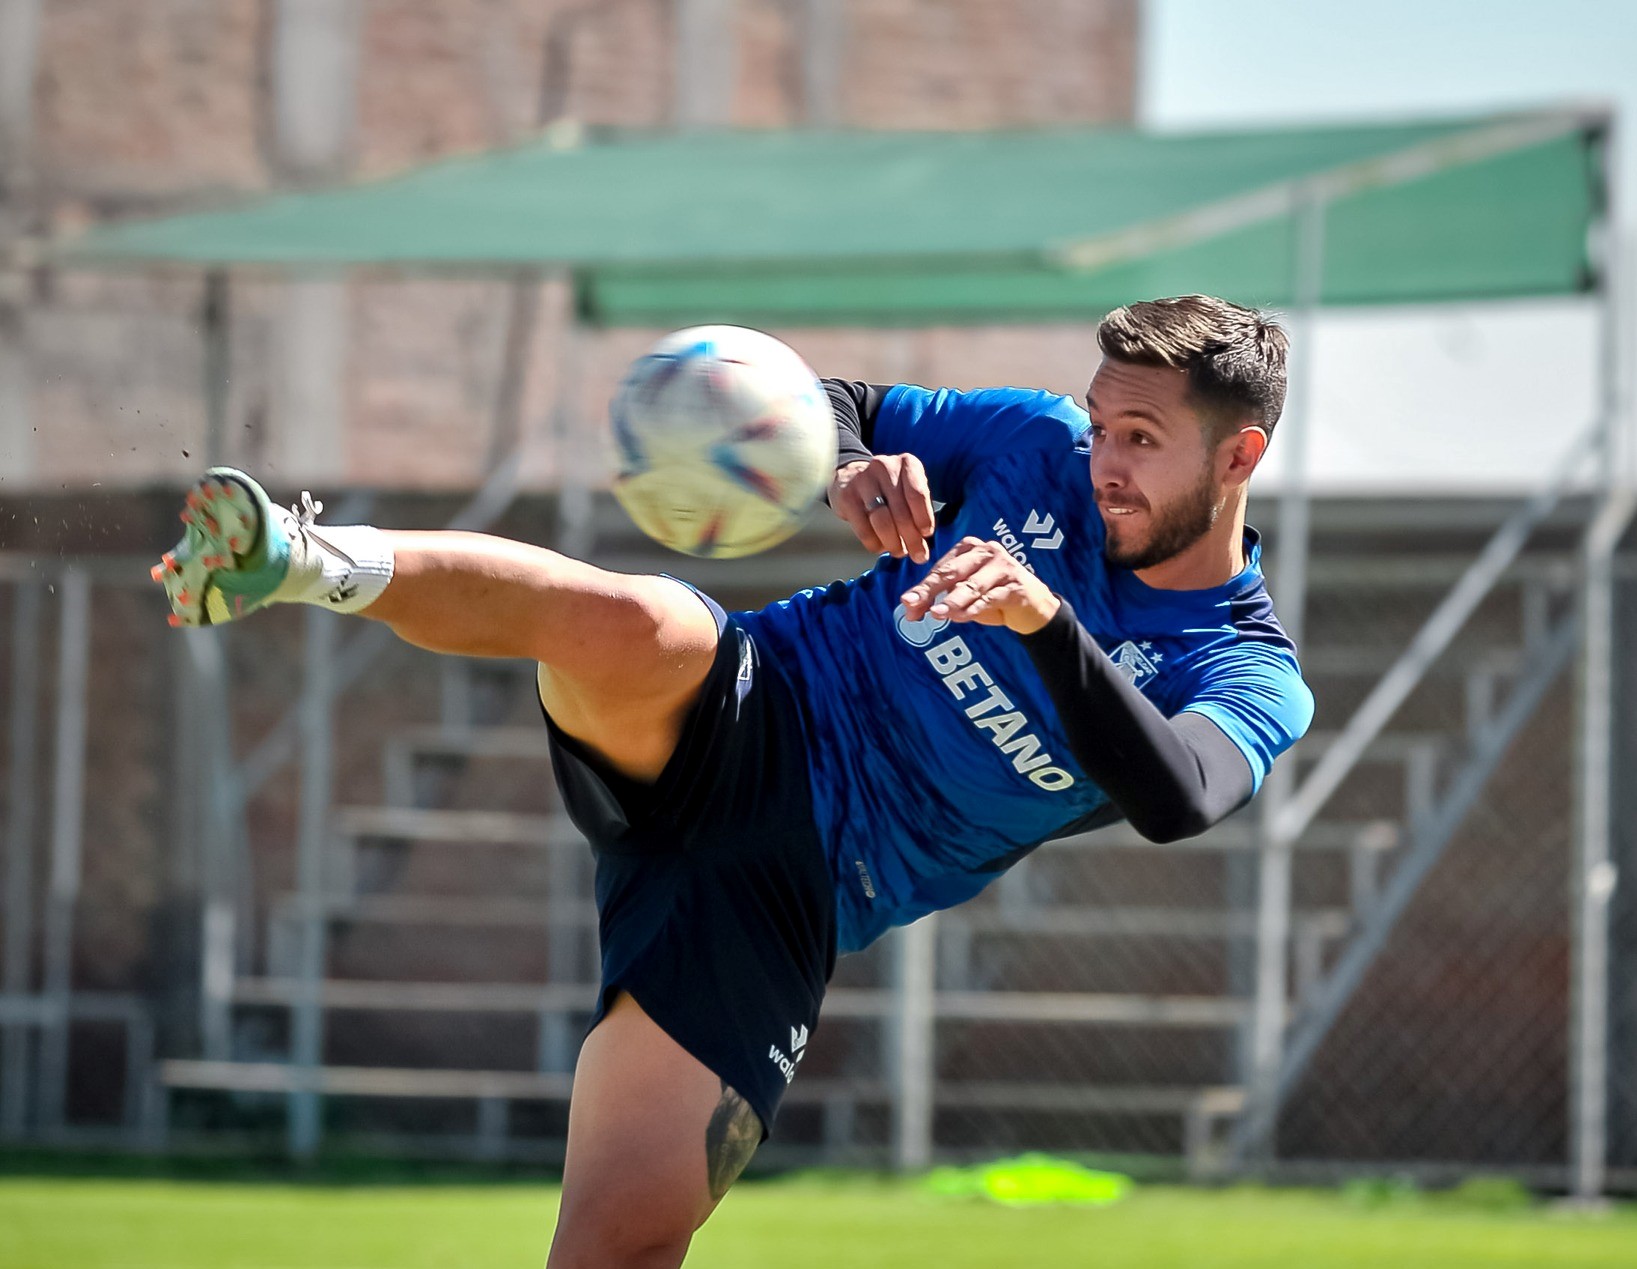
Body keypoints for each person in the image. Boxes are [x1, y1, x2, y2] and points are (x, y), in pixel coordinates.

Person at [153, 294, 1313, 1268]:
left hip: (785, 893)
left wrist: (1047, 624)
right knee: (633, 618)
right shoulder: (1031, 443)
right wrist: (852, 468)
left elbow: (1178, 797)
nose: (1100, 461)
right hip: (752, 705)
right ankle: (294, 556)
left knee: (615, 1249)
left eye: (1140, 441)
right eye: (1102, 424)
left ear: (1237, 456)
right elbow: (837, 404)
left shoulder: (1244, 668)